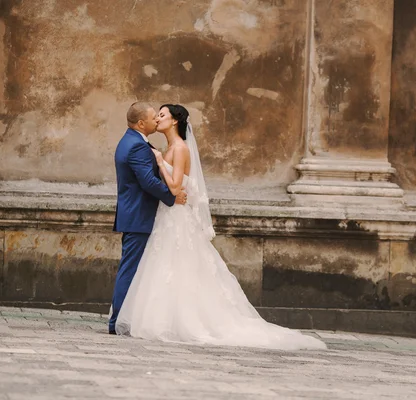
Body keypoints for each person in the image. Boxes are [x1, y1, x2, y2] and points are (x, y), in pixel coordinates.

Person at [116, 104, 326, 350]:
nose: (158, 118)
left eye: (162, 115)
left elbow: (174, 188)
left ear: (174, 121)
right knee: (166, 268)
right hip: (165, 216)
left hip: (175, 217)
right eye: (156, 115)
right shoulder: (164, 148)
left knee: (177, 267)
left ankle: (181, 321)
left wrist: (161, 163)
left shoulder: (179, 149)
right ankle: (162, 318)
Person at [109, 102, 187, 335]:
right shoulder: (137, 146)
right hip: (138, 216)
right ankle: (116, 322)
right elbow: (148, 182)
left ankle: (125, 318)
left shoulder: (131, 141)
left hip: (135, 215)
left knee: (133, 269)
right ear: (141, 123)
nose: (157, 120)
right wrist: (173, 198)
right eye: (154, 117)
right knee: (130, 270)